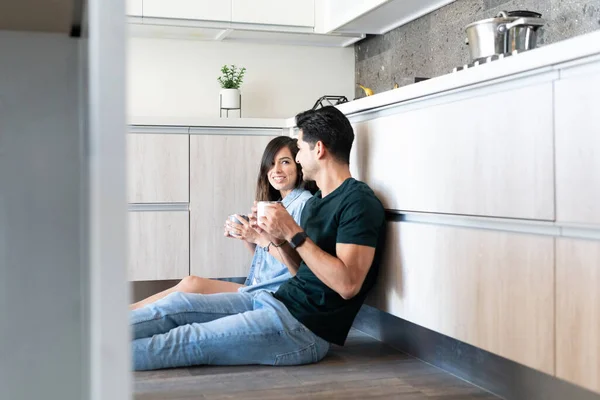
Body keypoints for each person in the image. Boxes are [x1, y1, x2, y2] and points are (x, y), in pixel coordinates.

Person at [131, 106, 386, 371]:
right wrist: (275, 239)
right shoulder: (317, 204)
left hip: (303, 330)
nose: (298, 158)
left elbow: (348, 285)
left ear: (318, 149)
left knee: (186, 339)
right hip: (275, 301)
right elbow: (301, 271)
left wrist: (291, 232)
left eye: (299, 149)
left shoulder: (358, 202)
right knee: (177, 305)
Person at [130, 136, 315, 310]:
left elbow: (297, 266)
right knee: (190, 285)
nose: (276, 171)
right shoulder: (277, 205)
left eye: (285, 162)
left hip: (272, 294)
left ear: (299, 165)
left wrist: (258, 238)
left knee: (191, 285)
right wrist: (247, 235)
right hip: (256, 285)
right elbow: (268, 261)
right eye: (271, 163)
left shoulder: (303, 204)